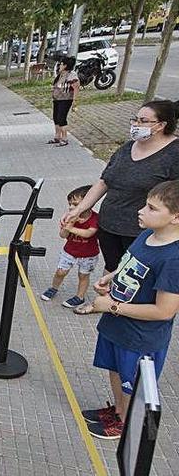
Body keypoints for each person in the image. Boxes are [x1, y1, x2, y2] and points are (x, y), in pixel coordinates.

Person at [73, 181, 179, 439]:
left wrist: (112, 306)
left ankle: (129, 423)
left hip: (139, 337)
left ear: (175, 217)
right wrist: (110, 279)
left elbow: (164, 311)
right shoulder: (147, 234)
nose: (141, 211)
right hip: (117, 324)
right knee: (116, 370)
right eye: (145, 204)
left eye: (152, 208)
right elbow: (129, 263)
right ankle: (119, 411)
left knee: (133, 383)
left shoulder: (173, 260)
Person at [61, 100, 179, 273]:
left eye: (143, 121)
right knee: (111, 268)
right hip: (109, 225)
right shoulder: (127, 148)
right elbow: (104, 182)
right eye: (135, 119)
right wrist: (78, 210)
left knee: (132, 275)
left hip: (142, 232)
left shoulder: (174, 154)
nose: (136, 125)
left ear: (161, 125)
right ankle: (104, 298)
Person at [41, 185, 100, 308]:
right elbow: (62, 235)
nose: (71, 207)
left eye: (75, 204)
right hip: (69, 251)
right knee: (60, 272)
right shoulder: (69, 217)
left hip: (89, 254)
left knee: (83, 275)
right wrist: (68, 225)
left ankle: (80, 297)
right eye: (70, 204)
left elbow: (89, 233)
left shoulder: (95, 218)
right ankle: (53, 288)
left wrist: (71, 228)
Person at [48, 56, 79, 147]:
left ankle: (64, 138)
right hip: (57, 99)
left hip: (66, 99)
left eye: (61, 64)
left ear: (65, 65)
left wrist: (75, 101)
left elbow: (76, 88)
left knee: (62, 118)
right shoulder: (61, 74)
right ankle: (57, 137)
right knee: (56, 118)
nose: (59, 65)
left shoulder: (71, 75)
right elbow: (59, 85)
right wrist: (54, 88)